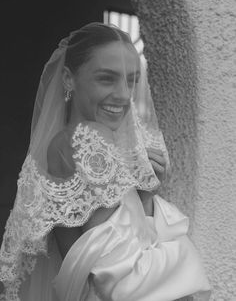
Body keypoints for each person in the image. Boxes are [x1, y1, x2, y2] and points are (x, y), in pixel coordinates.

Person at [0, 23, 211, 301]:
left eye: (131, 80)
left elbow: (107, 253)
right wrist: (180, 257)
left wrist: (143, 193)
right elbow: (125, 280)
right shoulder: (87, 138)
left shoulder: (64, 145)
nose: (124, 94)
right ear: (68, 79)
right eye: (107, 78)